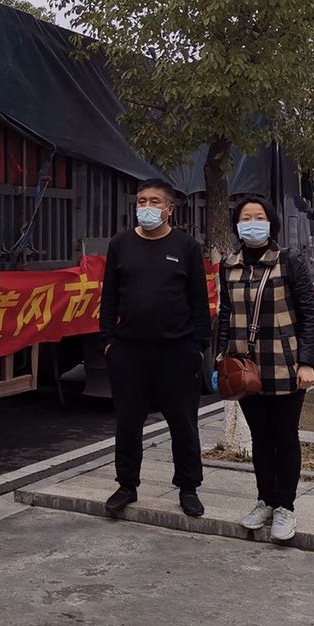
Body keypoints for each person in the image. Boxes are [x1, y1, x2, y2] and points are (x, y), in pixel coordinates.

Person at [99, 179, 211, 518]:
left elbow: (199, 302)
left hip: (177, 351)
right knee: (128, 423)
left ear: (169, 209)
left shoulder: (186, 247)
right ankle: (126, 485)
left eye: (155, 201)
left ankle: (188, 487)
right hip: (129, 351)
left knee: (183, 423)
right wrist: (108, 341)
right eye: (142, 201)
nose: (147, 207)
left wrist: (199, 347)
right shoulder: (120, 244)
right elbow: (109, 297)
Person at [216, 195, 314, 542]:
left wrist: (307, 362)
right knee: (260, 438)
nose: (252, 223)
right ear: (236, 225)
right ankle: (265, 500)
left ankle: (285, 507)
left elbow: (308, 313)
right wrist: (220, 356)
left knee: (284, 437)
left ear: (271, 222)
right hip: (245, 367)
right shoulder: (229, 265)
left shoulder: (289, 260)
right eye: (245, 218)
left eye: (259, 217)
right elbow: (226, 314)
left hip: (285, 365)